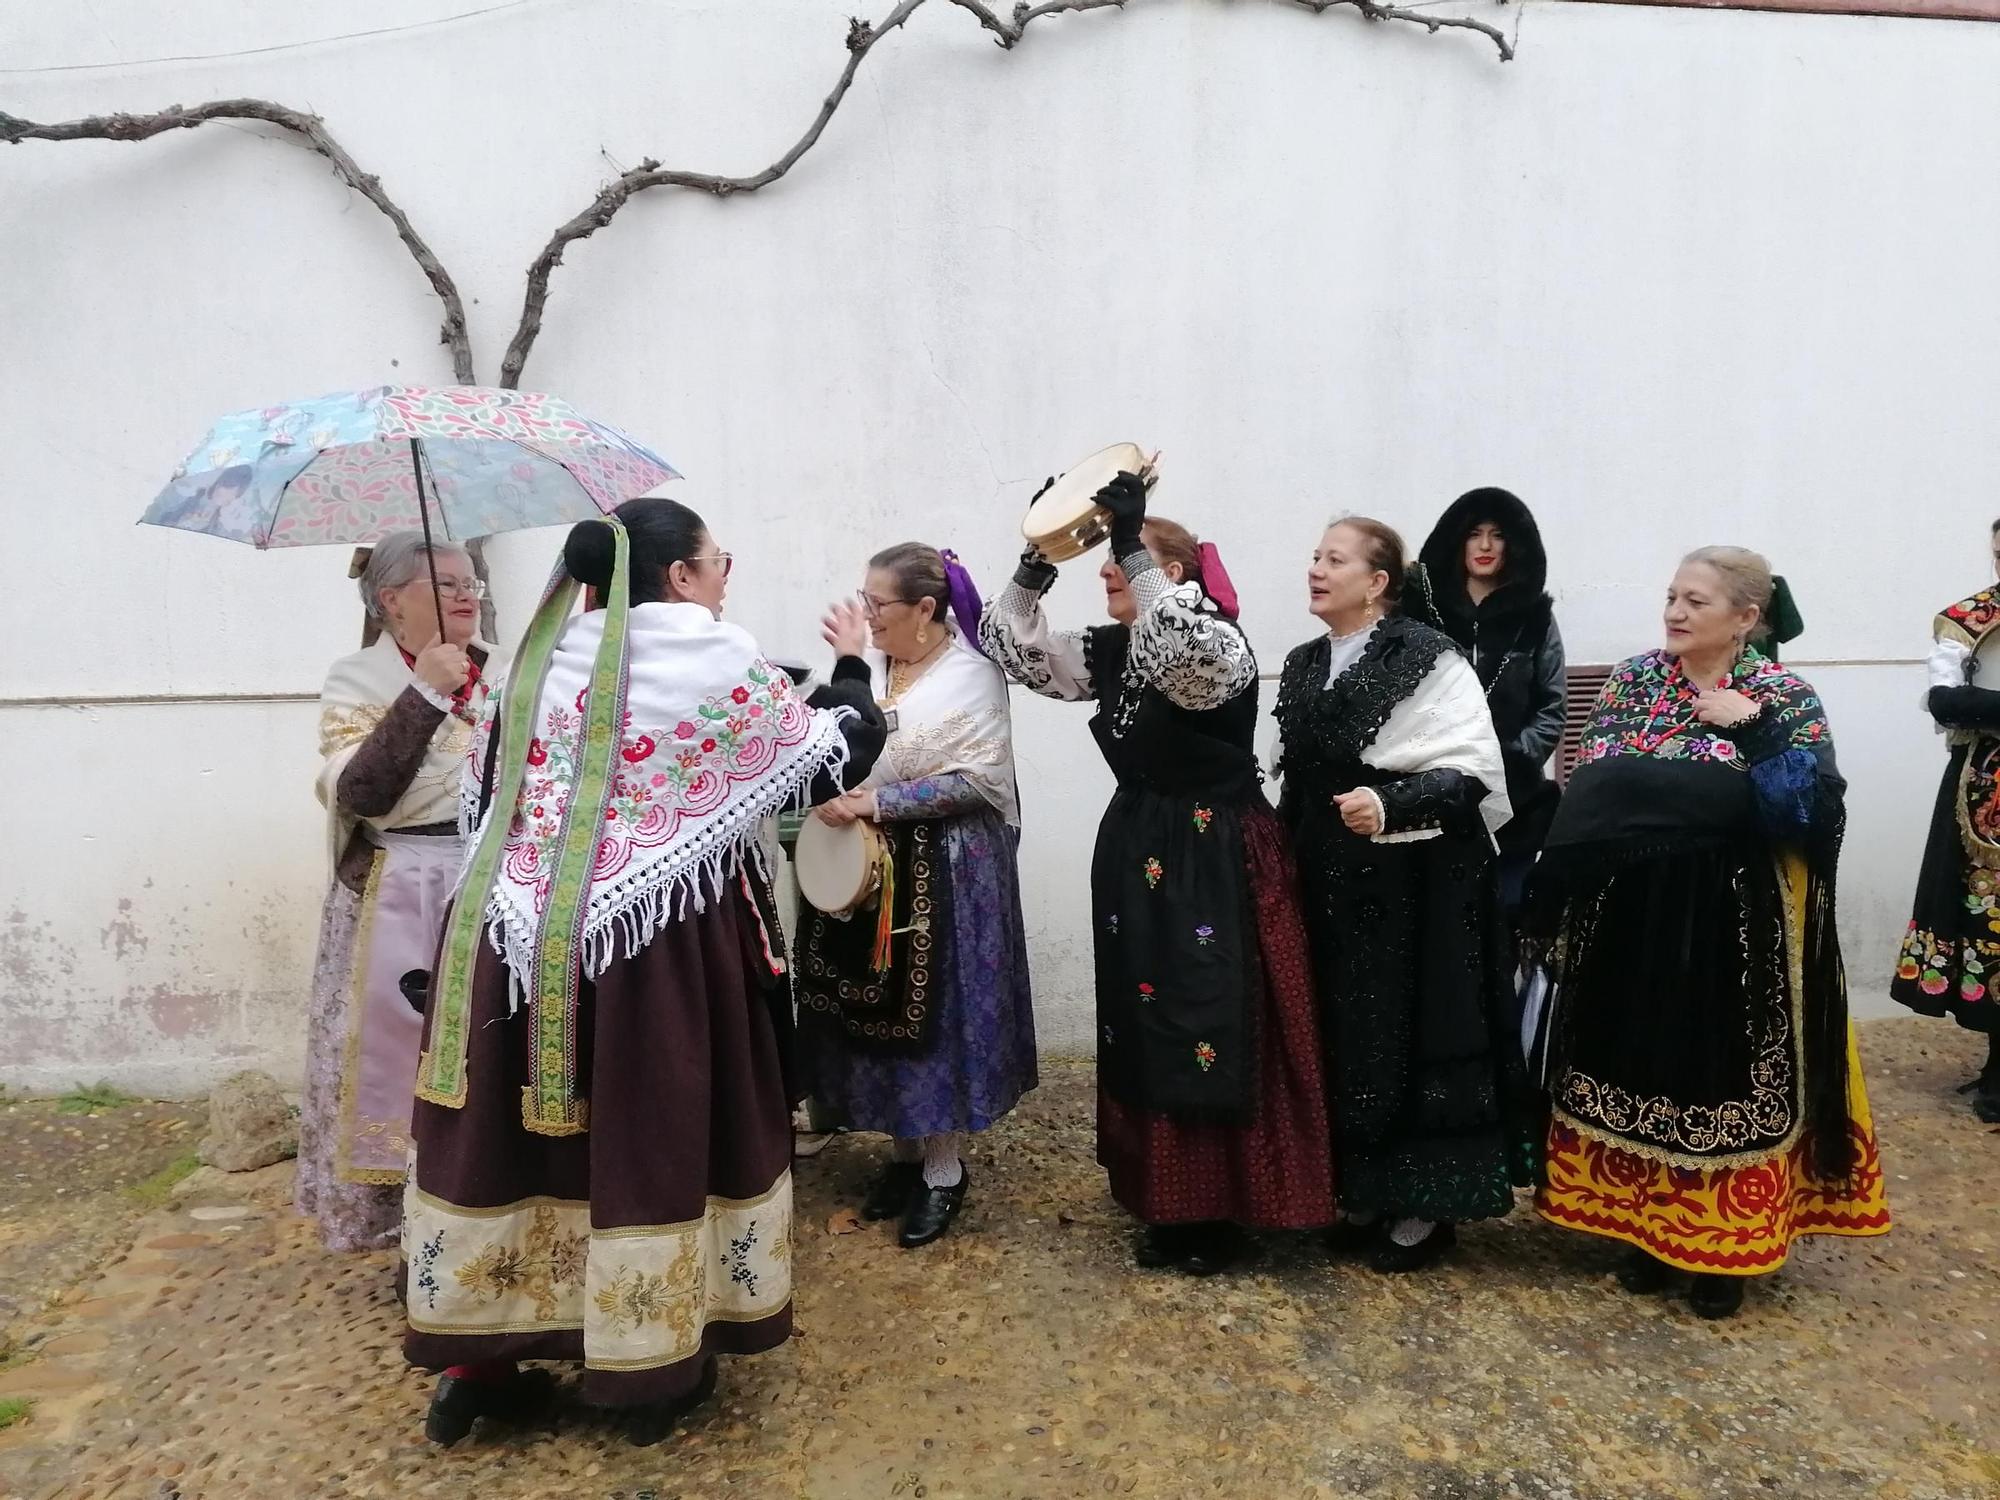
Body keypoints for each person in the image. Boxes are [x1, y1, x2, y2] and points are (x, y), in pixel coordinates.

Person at [400, 498, 887, 1446]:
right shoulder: (704, 651)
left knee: (505, 1140)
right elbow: (833, 755)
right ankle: (646, 1375)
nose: (721, 580)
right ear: (677, 576)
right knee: (650, 1127)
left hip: (510, 939)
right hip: (651, 945)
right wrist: (852, 677)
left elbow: (492, 789)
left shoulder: (532, 662)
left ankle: (478, 1364)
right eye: (718, 562)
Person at [981, 474, 1334, 1275]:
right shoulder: (1109, 650)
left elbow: (1181, 659)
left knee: (1211, 1012)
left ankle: (1226, 1206)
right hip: (1140, 845)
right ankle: (1168, 1199)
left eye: (1125, 562)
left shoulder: (1219, 641)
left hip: (1217, 853)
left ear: (1173, 573)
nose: (1109, 570)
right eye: (1110, 561)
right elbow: (1008, 644)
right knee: (1147, 1016)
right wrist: (1040, 554)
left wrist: (1132, 544)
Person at [1530, 547, 1890, 1318]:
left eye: (1695, 601)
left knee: (1720, 1074)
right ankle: (1644, 1234)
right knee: (1638, 1061)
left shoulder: (1783, 696)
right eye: (1670, 596)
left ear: (1746, 618)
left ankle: (1722, 1253)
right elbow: (1596, 780)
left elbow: (1807, 816)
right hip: (1635, 907)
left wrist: (1753, 735)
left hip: (1738, 918)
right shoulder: (1635, 681)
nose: (1675, 612)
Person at [1272, 517, 1529, 1274]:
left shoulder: (1426, 656)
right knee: (1345, 1026)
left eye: (1336, 559)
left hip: (1417, 883)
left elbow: (1472, 773)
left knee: (1412, 1027)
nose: (1317, 568)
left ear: (1379, 582)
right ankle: (1364, 1186)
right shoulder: (1301, 661)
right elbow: (1296, 772)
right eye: (1315, 555)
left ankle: (1425, 1204)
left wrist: (1391, 805)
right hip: (1328, 874)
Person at [796, 544, 1037, 1248]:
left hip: (949, 868)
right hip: (872, 867)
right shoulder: (869, 667)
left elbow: (976, 784)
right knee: (875, 1011)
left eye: (880, 606)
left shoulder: (971, 677)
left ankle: (943, 1169)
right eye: (864, 601)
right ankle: (903, 1155)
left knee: (935, 1018)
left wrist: (879, 802)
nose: (867, 616)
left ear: (926, 609)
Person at [298, 533, 500, 1253]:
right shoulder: (359, 678)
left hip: (493, 881)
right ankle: (406, 1224)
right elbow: (365, 794)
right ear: (391, 601)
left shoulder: (503, 670)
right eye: (445, 584)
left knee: (487, 1052)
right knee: (402, 1054)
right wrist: (425, 695)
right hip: (401, 888)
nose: (468, 593)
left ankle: (486, 1200)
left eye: (471, 580)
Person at [1416, 488, 1566, 925]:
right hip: (1431, 794)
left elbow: (1551, 706)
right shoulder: (1425, 612)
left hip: (1515, 802)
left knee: (1506, 919)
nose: (1484, 546)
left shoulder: (1535, 616)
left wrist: (1515, 756)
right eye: (1473, 534)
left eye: (1497, 535)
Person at [1891, 518, 2000, 1120]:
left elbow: (1966, 700)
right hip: (1986, 792)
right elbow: (1944, 698)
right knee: (1987, 919)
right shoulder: (1968, 619)